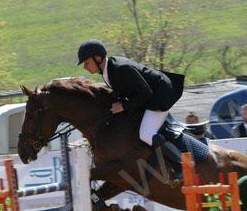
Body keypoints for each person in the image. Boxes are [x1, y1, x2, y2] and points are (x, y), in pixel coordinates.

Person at [77, 39, 186, 179]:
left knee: (146, 133)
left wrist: (123, 106)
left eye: (87, 62)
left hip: (161, 96)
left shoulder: (120, 69)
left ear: (98, 58)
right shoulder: (108, 70)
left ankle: (180, 164)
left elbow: (146, 93)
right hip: (148, 97)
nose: (85, 67)